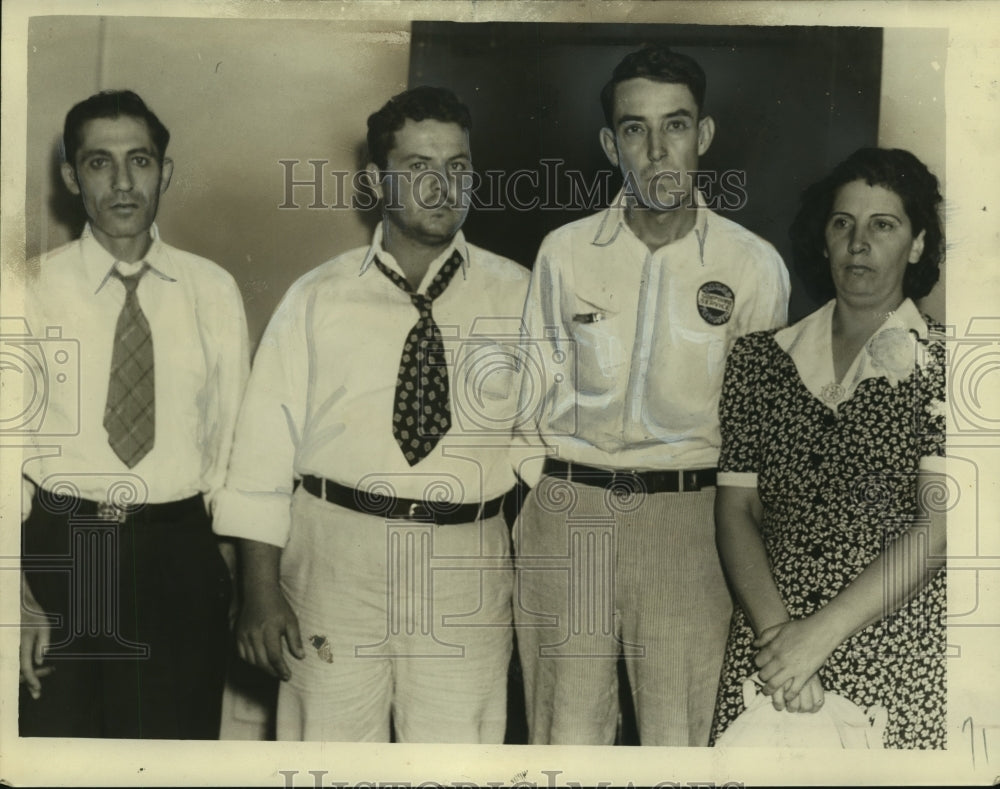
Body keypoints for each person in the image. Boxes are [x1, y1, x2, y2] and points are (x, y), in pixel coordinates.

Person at [213, 86, 531, 743]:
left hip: (463, 556)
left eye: (459, 167)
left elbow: (549, 442)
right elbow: (261, 456)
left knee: (456, 759)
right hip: (334, 554)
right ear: (376, 179)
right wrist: (260, 589)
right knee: (325, 752)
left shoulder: (523, 294)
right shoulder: (317, 297)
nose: (443, 186)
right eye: (419, 167)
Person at [512, 45, 790, 746]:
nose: (658, 149)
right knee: (563, 737)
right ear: (611, 144)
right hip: (570, 514)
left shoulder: (752, 265)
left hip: (690, 524)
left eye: (676, 125)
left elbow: (764, 434)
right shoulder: (564, 251)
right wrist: (539, 503)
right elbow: (528, 395)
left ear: (704, 135)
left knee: (686, 739)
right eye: (636, 129)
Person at [19, 89, 249, 738]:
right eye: (99, 163)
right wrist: (15, 598)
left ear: (164, 172)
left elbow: (231, 445)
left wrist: (224, 568)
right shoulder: (28, 290)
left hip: (178, 552)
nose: (122, 183)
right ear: (71, 177)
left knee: (172, 756)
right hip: (66, 550)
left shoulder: (213, 290)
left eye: (140, 161)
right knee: (60, 755)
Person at [709, 147, 947, 748]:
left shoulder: (950, 363)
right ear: (823, 239)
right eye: (843, 223)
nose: (858, 243)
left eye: (883, 225)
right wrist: (780, 639)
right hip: (771, 645)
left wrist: (815, 639)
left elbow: (939, 526)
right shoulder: (758, 360)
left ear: (917, 245)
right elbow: (737, 512)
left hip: (890, 643)